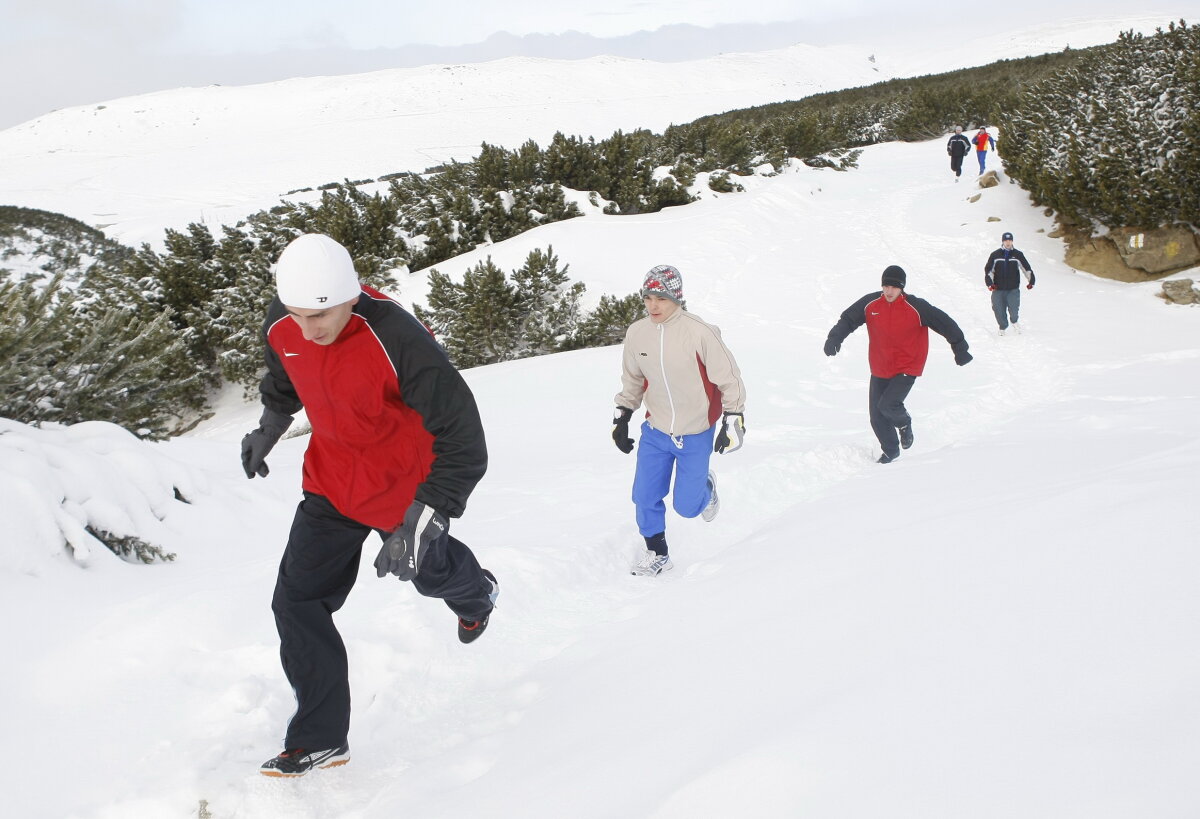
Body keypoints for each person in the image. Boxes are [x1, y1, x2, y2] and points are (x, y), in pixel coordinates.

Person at [242, 233, 498, 777]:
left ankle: (477, 595)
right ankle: (320, 737)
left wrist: (428, 513)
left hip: (402, 489)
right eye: (296, 313)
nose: (309, 329)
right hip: (332, 482)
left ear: (351, 294)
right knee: (296, 603)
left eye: (322, 313)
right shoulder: (284, 320)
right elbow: (285, 374)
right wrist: (271, 423)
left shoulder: (397, 336)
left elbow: (463, 434)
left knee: (430, 577)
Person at [612, 264, 747, 577]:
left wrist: (733, 418)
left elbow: (729, 379)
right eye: (647, 297)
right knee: (644, 495)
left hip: (696, 432)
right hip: (656, 430)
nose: (653, 305)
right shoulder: (637, 333)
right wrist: (623, 415)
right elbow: (633, 379)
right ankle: (657, 553)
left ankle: (706, 486)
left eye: (660, 297)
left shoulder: (700, 333)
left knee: (687, 507)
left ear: (676, 298)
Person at [823, 265, 973, 464]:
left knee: (888, 405)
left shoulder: (916, 307)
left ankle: (904, 423)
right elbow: (848, 319)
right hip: (880, 366)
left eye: (893, 287)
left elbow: (944, 323)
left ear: (902, 287)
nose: (889, 291)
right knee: (876, 417)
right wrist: (835, 338)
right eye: (885, 286)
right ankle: (891, 452)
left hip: (907, 365)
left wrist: (960, 348)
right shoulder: (871, 303)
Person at [984, 231, 1035, 335]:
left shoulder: (1017, 255)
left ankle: (1014, 321)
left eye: (1010, 240)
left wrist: (1031, 281)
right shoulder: (995, 255)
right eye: (1006, 240)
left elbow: (1026, 268)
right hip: (997, 288)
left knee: (1014, 309)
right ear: (1003, 241)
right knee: (998, 309)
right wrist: (990, 284)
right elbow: (988, 271)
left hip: (1013, 289)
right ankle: (1002, 327)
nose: (1008, 242)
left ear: (1012, 241)